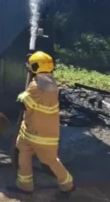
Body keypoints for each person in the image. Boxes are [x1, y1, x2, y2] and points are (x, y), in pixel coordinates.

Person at [12, 51, 75, 197]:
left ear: (35, 67)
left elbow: (22, 104)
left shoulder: (35, 86)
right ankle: (25, 184)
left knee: (42, 159)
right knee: (40, 157)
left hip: (37, 134)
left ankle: (66, 184)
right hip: (36, 131)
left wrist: (21, 96)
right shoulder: (51, 84)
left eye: (31, 65)